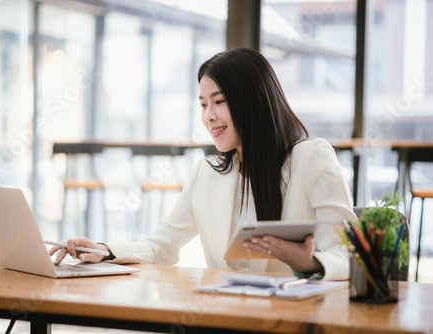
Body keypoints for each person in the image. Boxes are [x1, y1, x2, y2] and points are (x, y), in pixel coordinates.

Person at [50, 47, 357, 280]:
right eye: (203, 104)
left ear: (252, 101)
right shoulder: (206, 174)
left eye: (219, 102)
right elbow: (160, 247)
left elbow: (349, 255)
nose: (209, 115)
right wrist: (102, 251)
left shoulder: (311, 158)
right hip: (224, 318)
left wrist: (307, 263)